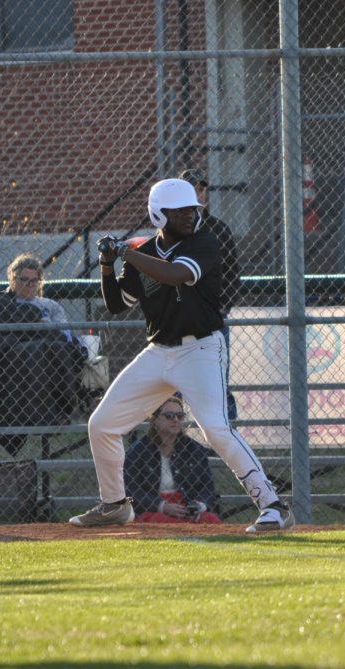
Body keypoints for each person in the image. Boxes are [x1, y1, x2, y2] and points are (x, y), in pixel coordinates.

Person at [69, 178, 293, 533]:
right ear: (159, 214)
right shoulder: (145, 253)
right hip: (158, 351)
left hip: (201, 349)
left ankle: (273, 506)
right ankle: (114, 504)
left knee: (216, 430)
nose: (191, 215)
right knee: (102, 425)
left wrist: (127, 251)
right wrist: (107, 264)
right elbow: (116, 304)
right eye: (182, 211)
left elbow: (175, 275)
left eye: (193, 209)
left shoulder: (203, 241)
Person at [0, 254, 88, 455]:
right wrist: (29, 333)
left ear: (39, 281)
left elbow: (65, 336)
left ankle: (65, 407)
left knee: (52, 348)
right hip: (9, 366)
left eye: (33, 281)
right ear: (12, 279)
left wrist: (38, 332)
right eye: (23, 280)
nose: (28, 285)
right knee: (34, 351)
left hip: (48, 362)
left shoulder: (50, 306)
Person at [181, 169, 242, 420]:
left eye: (201, 188)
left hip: (212, 318)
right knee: (179, 382)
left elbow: (233, 275)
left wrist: (220, 307)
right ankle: (186, 443)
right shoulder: (169, 231)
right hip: (179, 319)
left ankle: (225, 437)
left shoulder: (218, 229)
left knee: (218, 382)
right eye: (193, 188)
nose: (199, 193)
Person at [123, 397, 222, 524]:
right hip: (153, 509)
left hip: (185, 505)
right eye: (169, 416)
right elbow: (131, 492)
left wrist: (198, 506)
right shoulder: (137, 452)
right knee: (158, 522)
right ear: (155, 420)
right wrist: (162, 506)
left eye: (180, 416)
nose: (176, 420)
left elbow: (208, 487)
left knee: (210, 520)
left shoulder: (195, 450)